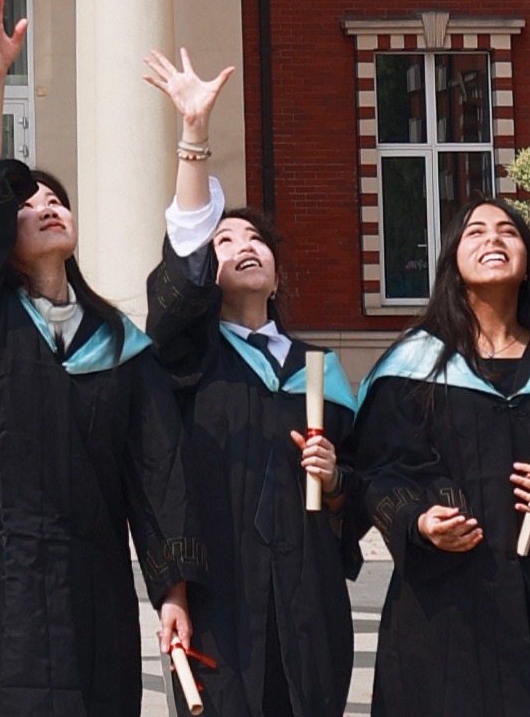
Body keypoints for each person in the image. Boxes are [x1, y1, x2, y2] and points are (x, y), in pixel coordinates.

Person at [0, 0, 198, 717]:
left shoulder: (119, 347)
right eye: (26, 204)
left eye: (56, 199)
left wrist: (171, 589)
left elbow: (157, 472)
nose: (46, 205)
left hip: (91, 589)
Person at [351, 197, 530, 717]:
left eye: (508, 231)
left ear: (528, 265)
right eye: (475, 231)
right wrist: (417, 520)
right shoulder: (412, 370)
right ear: (453, 265)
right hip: (444, 613)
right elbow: (376, 473)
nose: (493, 239)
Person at [140, 48, 357, 717]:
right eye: (225, 240)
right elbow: (184, 255)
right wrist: (194, 134)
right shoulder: (185, 357)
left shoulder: (319, 372)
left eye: (256, 239)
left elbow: (366, 486)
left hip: (308, 600)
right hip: (218, 597)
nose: (244, 246)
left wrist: (337, 479)